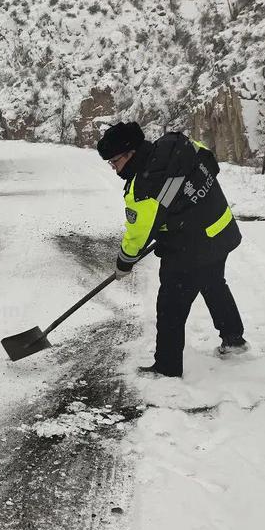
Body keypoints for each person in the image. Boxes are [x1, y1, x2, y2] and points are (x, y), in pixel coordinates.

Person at [97, 121, 247, 378]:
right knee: (213, 283)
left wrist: (124, 263)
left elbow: (137, 236)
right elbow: (210, 164)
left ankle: (166, 368)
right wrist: (182, 210)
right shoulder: (178, 143)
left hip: (190, 248)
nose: (113, 168)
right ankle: (234, 339)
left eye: (114, 161)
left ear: (130, 153)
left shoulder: (143, 188)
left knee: (170, 307)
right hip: (220, 230)